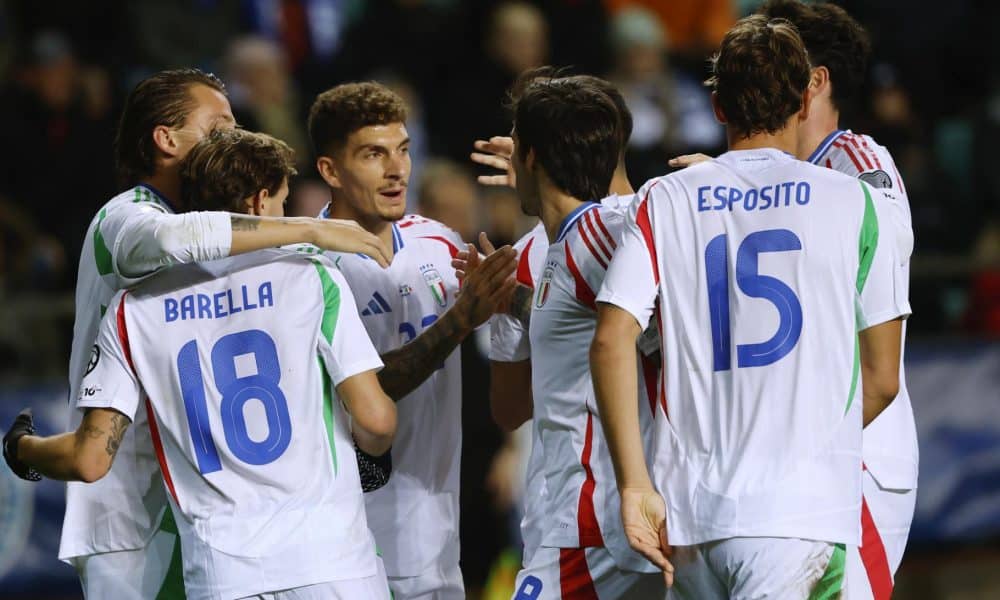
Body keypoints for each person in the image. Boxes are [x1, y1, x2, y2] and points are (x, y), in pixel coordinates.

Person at [37, 67, 389, 600]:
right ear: (165, 138)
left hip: (206, 508)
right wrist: (310, 228)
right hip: (132, 514)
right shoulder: (124, 217)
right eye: (217, 126)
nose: (230, 137)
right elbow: (171, 239)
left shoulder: (215, 264)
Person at [591, 16, 909, 598]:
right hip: (796, 518)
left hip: (689, 519)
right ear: (805, 95)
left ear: (716, 106)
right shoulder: (856, 202)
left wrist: (635, 485)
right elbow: (882, 380)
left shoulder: (666, 197)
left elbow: (611, 339)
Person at [308, 81, 518, 599]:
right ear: (330, 171)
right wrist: (457, 321)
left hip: (438, 534)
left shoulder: (439, 242)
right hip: (350, 545)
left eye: (402, 150)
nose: (397, 169)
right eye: (373, 154)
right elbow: (363, 394)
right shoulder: (306, 268)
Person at [474, 73, 666, 598]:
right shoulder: (553, 247)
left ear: (530, 155)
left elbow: (668, 334)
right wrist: (508, 301)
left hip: (593, 520)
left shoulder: (604, 230)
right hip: (581, 519)